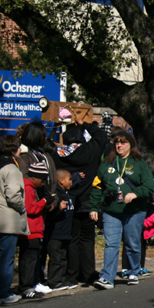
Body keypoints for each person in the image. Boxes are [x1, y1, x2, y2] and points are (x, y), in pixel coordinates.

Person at [89, 131, 154, 289]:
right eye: (117, 142)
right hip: (111, 211)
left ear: (131, 145)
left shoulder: (139, 163)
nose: (119, 145)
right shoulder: (107, 163)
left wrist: (135, 193)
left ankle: (133, 271)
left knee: (132, 243)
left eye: (123, 142)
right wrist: (93, 207)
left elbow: (148, 187)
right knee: (111, 244)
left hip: (134, 211)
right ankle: (107, 277)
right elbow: (97, 186)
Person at [54, 120, 107, 286]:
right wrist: (85, 124)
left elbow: (46, 143)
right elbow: (101, 136)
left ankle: (72, 273)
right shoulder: (90, 150)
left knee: (72, 239)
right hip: (88, 200)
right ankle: (88, 272)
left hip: (68, 200)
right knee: (87, 239)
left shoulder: (59, 154)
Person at [0, 135, 28, 305]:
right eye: (18, 147)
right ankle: (2, 293)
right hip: (10, 217)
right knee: (7, 257)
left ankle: (0, 290)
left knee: (2, 256)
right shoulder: (11, 168)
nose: (20, 150)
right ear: (13, 150)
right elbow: (13, 195)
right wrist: (22, 207)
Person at [19, 162, 53, 299]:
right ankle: (25, 287)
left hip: (35, 229)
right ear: (34, 177)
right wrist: (44, 201)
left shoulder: (31, 187)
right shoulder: (28, 188)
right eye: (42, 180)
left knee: (32, 259)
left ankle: (29, 284)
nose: (43, 183)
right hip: (30, 229)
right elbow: (31, 208)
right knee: (29, 260)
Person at [47, 170, 77, 291]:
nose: (71, 182)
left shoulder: (69, 194)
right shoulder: (56, 195)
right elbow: (50, 214)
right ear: (61, 181)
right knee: (56, 258)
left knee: (63, 257)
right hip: (55, 233)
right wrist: (58, 209)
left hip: (66, 232)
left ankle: (62, 278)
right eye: (69, 179)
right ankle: (54, 281)